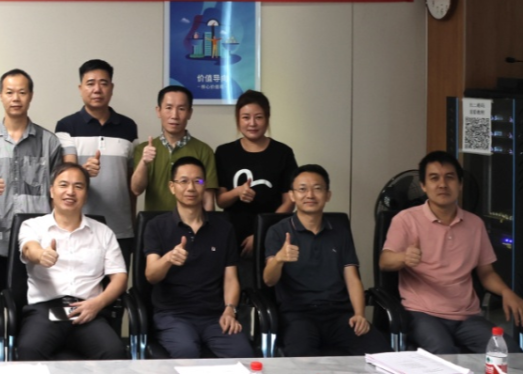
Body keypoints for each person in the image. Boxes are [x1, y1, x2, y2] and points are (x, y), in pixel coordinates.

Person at [380, 150, 523, 354]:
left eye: (450, 177)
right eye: (434, 178)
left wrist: (506, 292)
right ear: (423, 185)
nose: (442, 184)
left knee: (510, 352)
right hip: (422, 313)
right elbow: (385, 261)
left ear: (460, 184)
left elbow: (486, 273)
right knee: (444, 352)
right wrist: (404, 257)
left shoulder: (475, 224)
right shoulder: (406, 219)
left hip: (467, 316)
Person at [262, 164, 389, 356]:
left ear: (328, 195)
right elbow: (269, 280)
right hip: (298, 316)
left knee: (382, 354)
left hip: (339, 314)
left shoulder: (340, 231)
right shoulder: (278, 231)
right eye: (302, 189)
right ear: (292, 195)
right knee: (301, 360)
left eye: (317, 188)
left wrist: (359, 314)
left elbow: (352, 278)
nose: (310, 195)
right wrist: (279, 259)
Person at [143, 157, 252, 359]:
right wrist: (168, 259)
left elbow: (231, 278)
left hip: (215, 316)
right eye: (183, 181)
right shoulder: (156, 226)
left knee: (243, 353)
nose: (191, 188)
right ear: (172, 187)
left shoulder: (224, 228)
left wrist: (230, 310)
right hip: (173, 315)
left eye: (198, 181)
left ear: (205, 186)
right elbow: (151, 276)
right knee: (187, 352)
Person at [17, 162, 127, 361]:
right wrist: (40, 255)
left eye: (78, 186)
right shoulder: (32, 226)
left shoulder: (103, 232)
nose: (70, 192)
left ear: (86, 194)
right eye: (63, 185)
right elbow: (29, 248)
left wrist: (98, 303)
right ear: (52, 191)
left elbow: (119, 276)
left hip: (88, 309)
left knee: (114, 352)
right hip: (46, 311)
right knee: (29, 349)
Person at [0, 69, 64, 290]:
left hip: (38, 241)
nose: (15, 98)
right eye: (9, 92)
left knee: (33, 302)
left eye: (22, 92)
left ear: (30, 96)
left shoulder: (49, 142)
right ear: (0, 96)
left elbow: (57, 193)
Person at [55, 59, 140, 265]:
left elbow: (131, 183)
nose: (97, 89)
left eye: (103, 83)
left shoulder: (128, 127)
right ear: (80, 88)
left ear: (111, 87)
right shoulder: (66, 126)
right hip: (79, 226)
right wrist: (83, 172)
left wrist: (132, 222)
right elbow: (68, 172)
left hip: (120, 227)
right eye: (90, 83)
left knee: (117, 282)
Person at [215, 90, 297, 284]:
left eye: (258, 117)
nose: (252, 123)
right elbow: (220, 201)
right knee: (238, 291)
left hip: (273, 236)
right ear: (238, 119)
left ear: (267, 118)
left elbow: (289, 202)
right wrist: (237, 192)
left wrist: (261, 234)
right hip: (234, 237)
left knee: (271, 288)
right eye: (246, 117)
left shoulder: (282, 153)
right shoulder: (224, 152)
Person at [131, 85, 218, 212]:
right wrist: (144, 162)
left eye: (181, 109)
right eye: (168, 108)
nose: (174, 115)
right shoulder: (144, 149)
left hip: (192, 222)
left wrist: (209, 222)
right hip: (155, 222)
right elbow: (136, 190)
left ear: (189, 113)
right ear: (158, 111)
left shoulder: (204, 151)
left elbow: (207, 197)